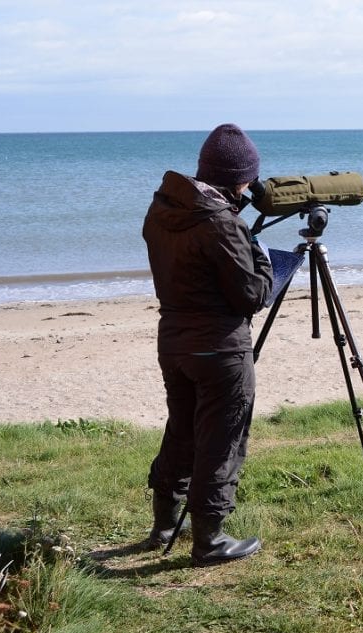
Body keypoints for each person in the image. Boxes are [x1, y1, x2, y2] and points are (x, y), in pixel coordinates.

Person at [141, 123, 273, 566]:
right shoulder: (220, 221)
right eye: (249, 178)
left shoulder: (164, 209)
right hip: (219, 347)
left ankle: (163, 523)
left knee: (182, 430)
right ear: (241, 178)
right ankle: (210, 541)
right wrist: (260, 252)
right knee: (221, 438)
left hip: (174, 340)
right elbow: (252, 295)